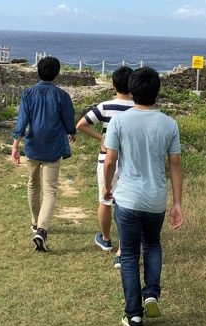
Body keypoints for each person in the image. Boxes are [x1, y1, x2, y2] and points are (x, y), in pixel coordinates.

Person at [103, 66, 184, 326]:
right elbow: (175, 165)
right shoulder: (169, 124)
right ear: (156, 91)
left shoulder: (120, 122)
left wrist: (107, 187)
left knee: (128, 255)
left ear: (132, 90)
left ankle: (134, 316)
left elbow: (111, 160)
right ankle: (151, 293)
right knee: (152, 244)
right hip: (155, 200)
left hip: (127, 198)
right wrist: (177, 203)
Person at [12, 56, 77, 252]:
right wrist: (71, 132)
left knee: (33, 185)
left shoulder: (28, 93)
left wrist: (15, 145)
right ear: (57, 74)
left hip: (33, 146)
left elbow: (22, 120)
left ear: (38, 72)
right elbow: (69, 118)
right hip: (53, 148)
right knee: (50, 190)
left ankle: (35, 222)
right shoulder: (62, 95)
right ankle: (42, 229)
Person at [77, 65, 135, 267]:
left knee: (105, 201)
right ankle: (122, 250)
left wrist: (101, 138)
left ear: (113, 85)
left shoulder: (105, 106)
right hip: (130, 163)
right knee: (126, 205)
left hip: (106, 159)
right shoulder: (138, 108)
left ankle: (106, 239)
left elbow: (81, 125)